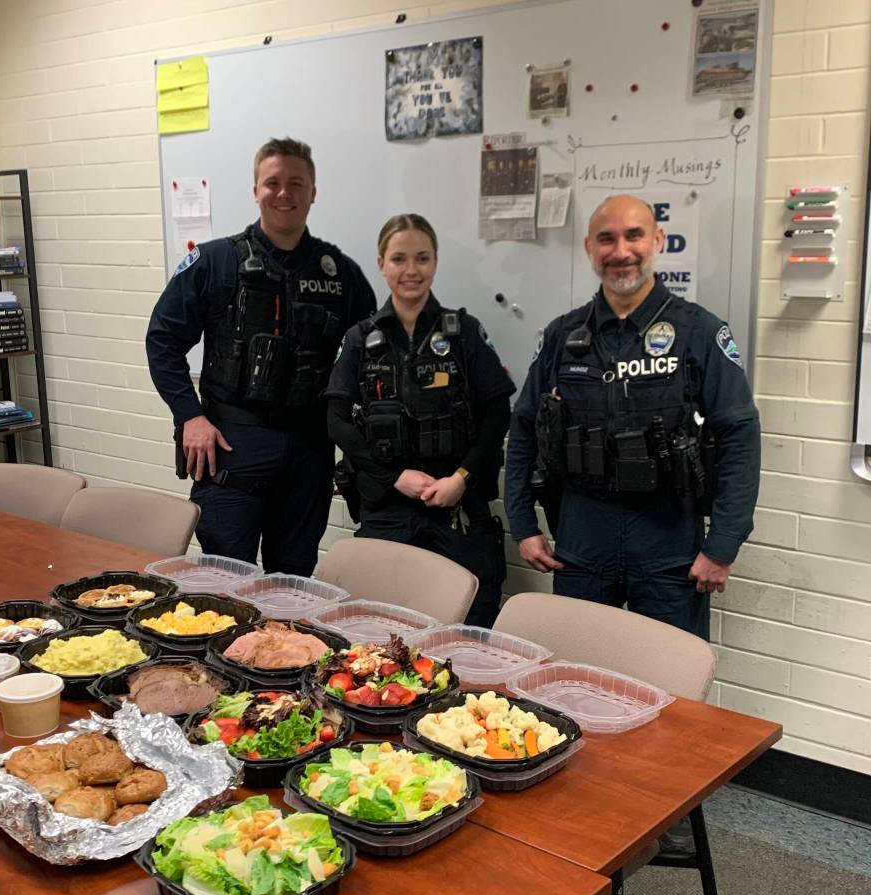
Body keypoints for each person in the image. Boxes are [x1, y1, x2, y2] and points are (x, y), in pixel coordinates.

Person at [505, 194, 760, 640]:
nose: (621, 252)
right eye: (606, 239)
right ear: (589, 248)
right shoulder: (563, 336)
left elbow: (739, 434)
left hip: (668, 540)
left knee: (668, 683)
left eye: (634, 235)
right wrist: (523, 524)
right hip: (582, 535)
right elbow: (525, 427)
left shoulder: (699, 331)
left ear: (657, 240)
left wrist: (722, 545)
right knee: (574, 673)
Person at [145, 137, 376, 575]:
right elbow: (162, 340)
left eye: (296, 183)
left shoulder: (341, 274)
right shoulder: (214, 262)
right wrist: (189, 416)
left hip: (309, 451)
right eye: (273, 183)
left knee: (292, 587)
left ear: (313, 191)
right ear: (255, 190)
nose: (284, 193)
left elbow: (371, 359)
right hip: (231, 446)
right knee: (226, 584)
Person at [325, 214, 516, 627]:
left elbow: (497, 414)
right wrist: (394, 475)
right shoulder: (361, 338)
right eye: (398, 259)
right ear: (381, 264)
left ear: (435, 262)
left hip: (456, 505)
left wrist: (461, 478)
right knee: (377, 623)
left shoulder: (464, 332)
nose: (411, 270)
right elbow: (337, 421)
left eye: (422, 258)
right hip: (388, 507)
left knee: (469, 622)